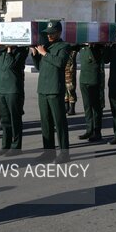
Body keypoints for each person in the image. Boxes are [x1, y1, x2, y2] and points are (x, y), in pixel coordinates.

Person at [31, 20, 71, 163]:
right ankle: (49, 152)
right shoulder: (46, 47)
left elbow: (60, 63)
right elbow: (40, 67)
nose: (49, 36)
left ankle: (64, 153)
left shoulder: (64, 46)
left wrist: (44, 53)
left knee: (59, 122)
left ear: (59, 33)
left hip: (55, 89)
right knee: (46, 123)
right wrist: (35, 54)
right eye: (48, 34)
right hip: (43, 89)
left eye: (52, 33)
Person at [0, 44, 29, 156]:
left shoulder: (22, 50)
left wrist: (9, 50)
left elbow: (10, 65)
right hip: (2, 89)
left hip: (13, 89)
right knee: (4, 120)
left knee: (15, 119)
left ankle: (16, 147)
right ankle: (5, 145)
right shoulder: (1, 50)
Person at [78, 44, 105, 141]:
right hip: (83, 80)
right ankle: (89, 129)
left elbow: (101, 59)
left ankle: (97, 131)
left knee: (96, 107)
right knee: (87, 106)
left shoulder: (97, 47)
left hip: (94, 80)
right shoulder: (81, 46)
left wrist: (93, 44)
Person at [64, 45, 81, 116]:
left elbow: (77, 47)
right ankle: (66, 106)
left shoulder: (74, 45)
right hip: (63, 67)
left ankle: (72, 108)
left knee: (70, 87)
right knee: (64, 87)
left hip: (70, 69)